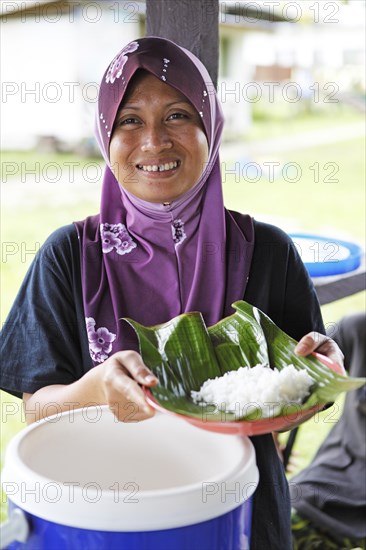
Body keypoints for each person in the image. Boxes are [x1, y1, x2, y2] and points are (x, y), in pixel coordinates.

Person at [0, 37, 344, 549]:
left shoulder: (267, 251)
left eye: (179, 115)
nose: (154, 142)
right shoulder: (68, 255)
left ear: (211, 128)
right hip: (104, 518)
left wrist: (319, 374)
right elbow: (38, 408)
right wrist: (97, 388)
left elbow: (297, 387)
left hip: (241, 514)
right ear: (105, 135)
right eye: (130, 121)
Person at [290, 312, 366, 550]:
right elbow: (301, 368)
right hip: (335, 479)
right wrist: (272, 432)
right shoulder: (358, 328)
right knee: (271, 523)